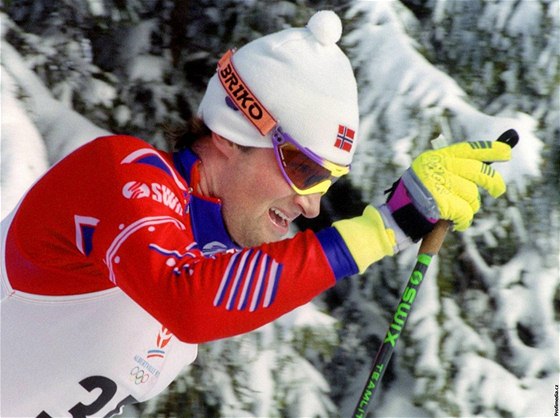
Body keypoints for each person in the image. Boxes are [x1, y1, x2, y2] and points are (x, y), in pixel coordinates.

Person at [0, 10, 512, 417]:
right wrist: (386, 228)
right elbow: (185, 299)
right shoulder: (119, 175)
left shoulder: (211, 264)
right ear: (230, 133)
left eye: (329, 182)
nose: (312, 204)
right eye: (305, 170)